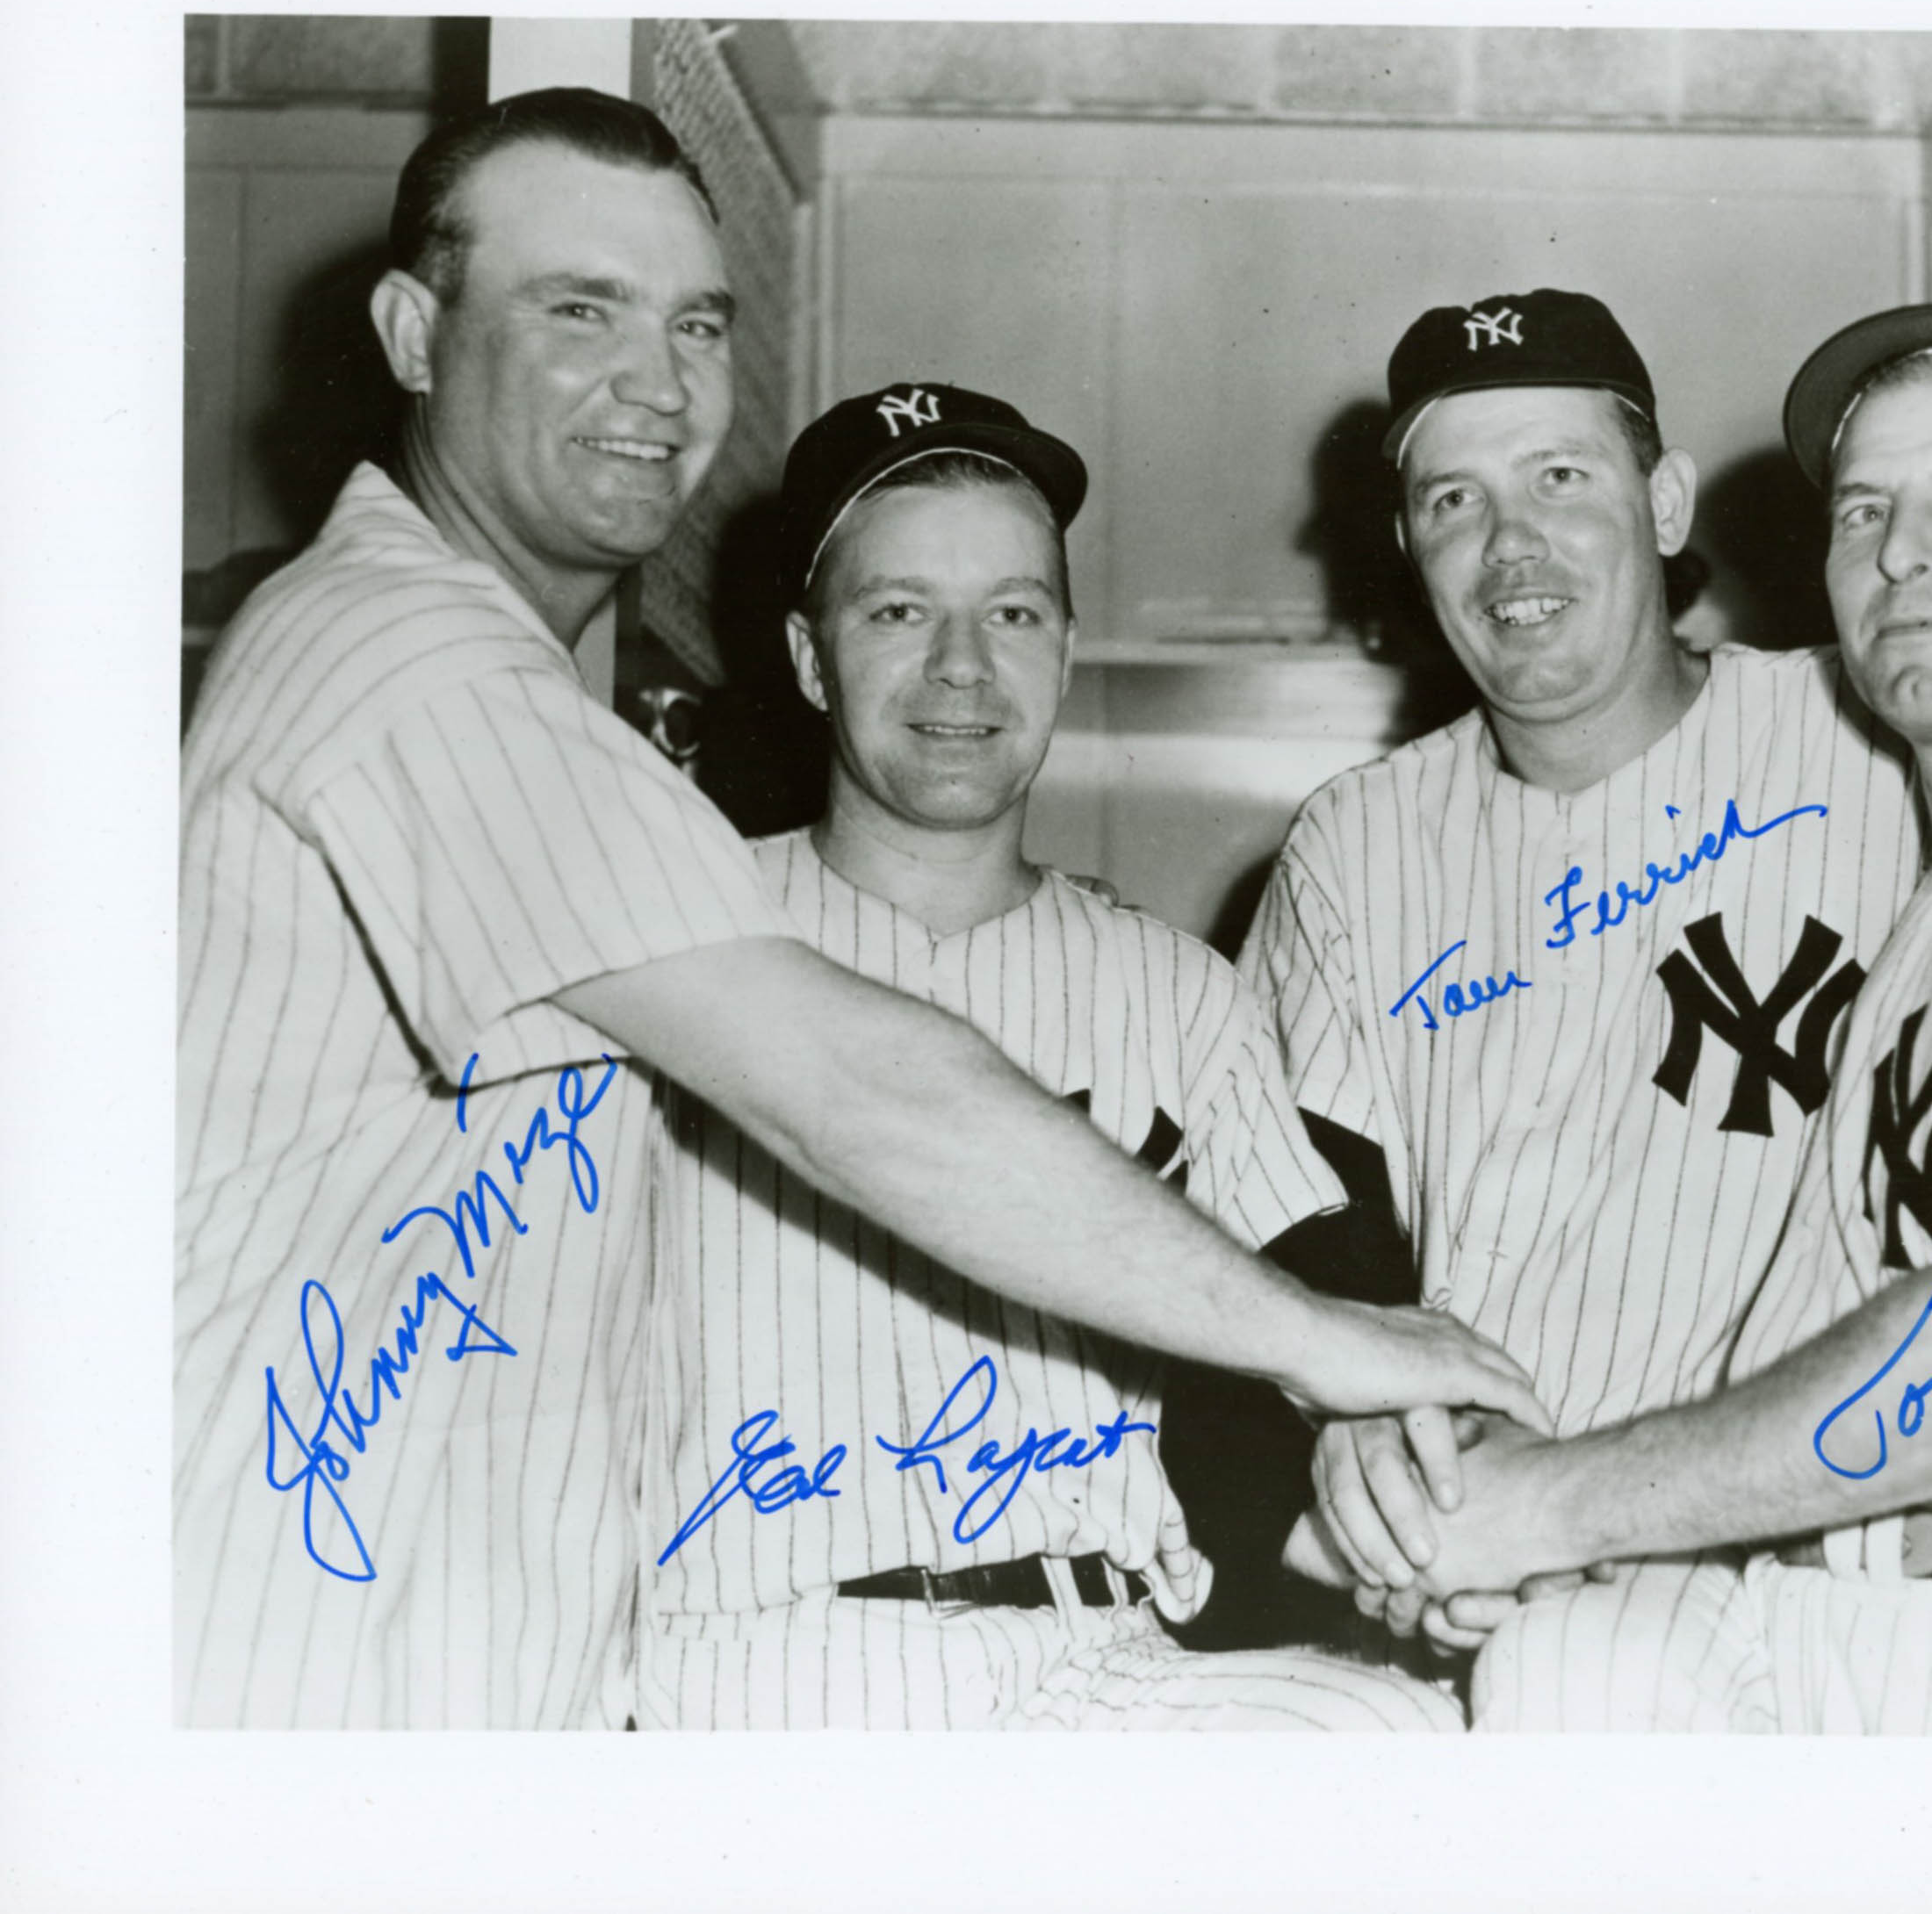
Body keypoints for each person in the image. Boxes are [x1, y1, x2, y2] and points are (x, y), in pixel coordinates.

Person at [172, 90, 1539, 1730]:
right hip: (316, 1661)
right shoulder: (410, 660)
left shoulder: (540, 731)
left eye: (695, 323)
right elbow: (861, 1088)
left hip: (510, 1667)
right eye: (578, 308)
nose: (655, 380)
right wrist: (1329, 1341)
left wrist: (1391, 1469)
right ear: (412, 333)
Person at [1237, 287, 1932, 1719]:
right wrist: (1414, 1493)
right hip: (1721, 1578)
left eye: (1562, 475)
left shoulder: (1908, 751)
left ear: (1664, 502)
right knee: (1579, 1681)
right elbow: (1305, 1239)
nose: (1512, 541)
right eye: (1454, 497)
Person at [637, 383, 1459, 1730]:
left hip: (1092, 1660)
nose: (963, 666)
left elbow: (1316, 1331)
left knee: (1399, 1737)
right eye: (898, 612)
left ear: (1066, 653)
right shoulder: (667, 935)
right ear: (807, 657)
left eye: (1013, 613)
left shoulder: (1179, 994)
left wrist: (1392, 1475)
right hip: (743, 1655)